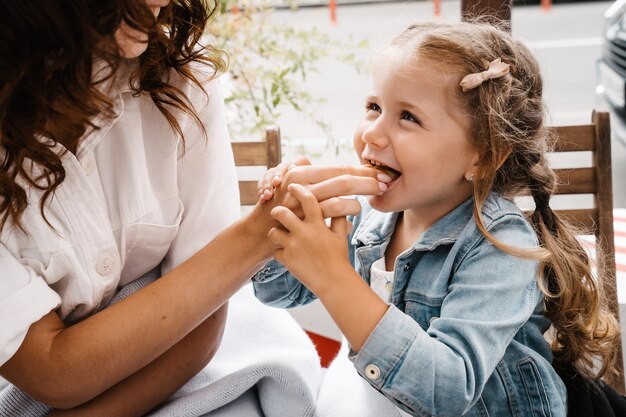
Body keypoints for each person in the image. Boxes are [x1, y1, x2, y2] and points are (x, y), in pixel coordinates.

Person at [0, 1, 389, 415]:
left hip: (194, 367)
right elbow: (51, 370)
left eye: (409, 117)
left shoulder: (181, 82)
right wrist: (258, 234)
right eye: (374, 108)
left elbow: (203, 326)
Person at [253, 21, 621, 417]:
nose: (373, 134)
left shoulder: (501, 246)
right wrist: (281, 221)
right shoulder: (370, 219)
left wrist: (333, 277)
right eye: (374, 107)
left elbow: (445, 392)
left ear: (481, 156)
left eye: (408, 117)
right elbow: (277, 293)